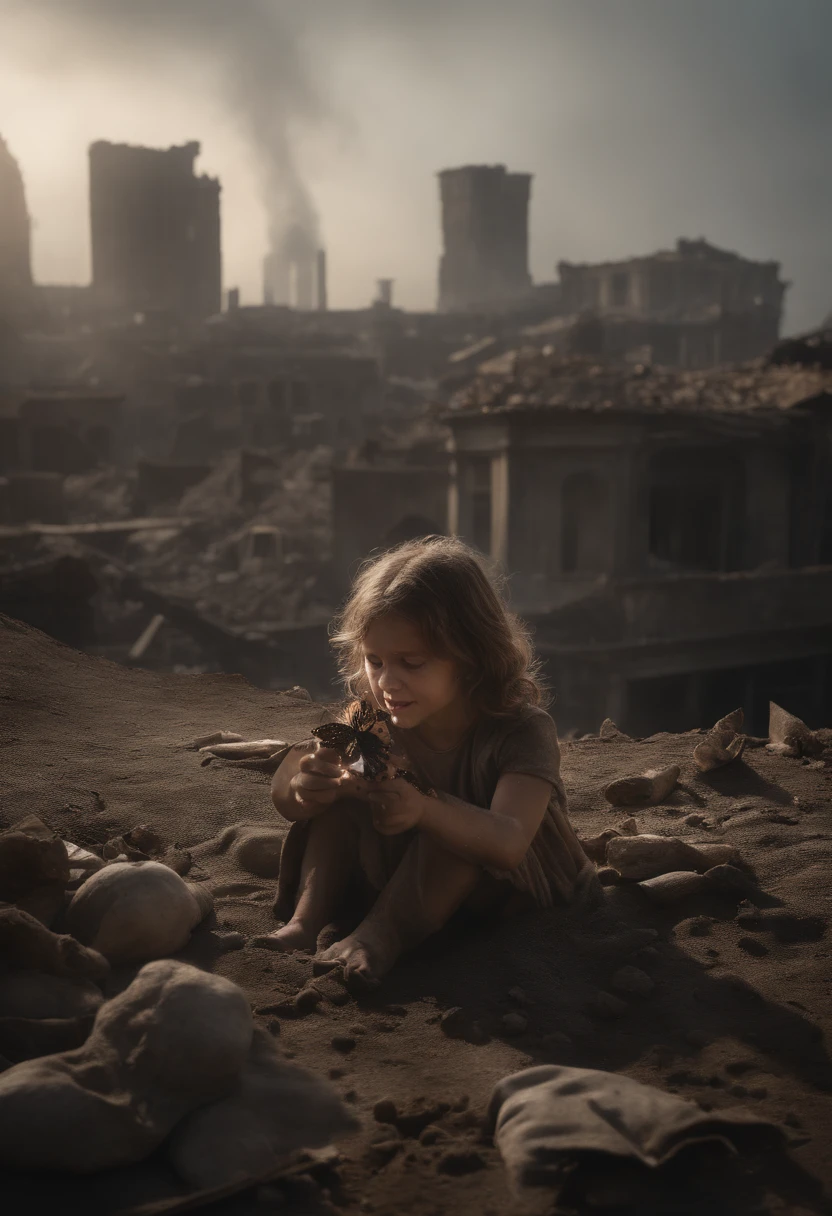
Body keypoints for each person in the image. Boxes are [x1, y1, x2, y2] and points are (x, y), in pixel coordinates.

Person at [263, 535, 598, 985]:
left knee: (452, 832)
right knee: (342, 805)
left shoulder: (520, 731)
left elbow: (508, 841)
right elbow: (288, 792)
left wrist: (423, 808)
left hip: (499, 884)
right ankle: (305, 924)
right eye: (374, 661)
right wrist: (308, 789)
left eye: (412, 663)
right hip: (407, 871)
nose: (387, 682)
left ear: (472, 656)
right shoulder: (372, 720)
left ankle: (378, 936)